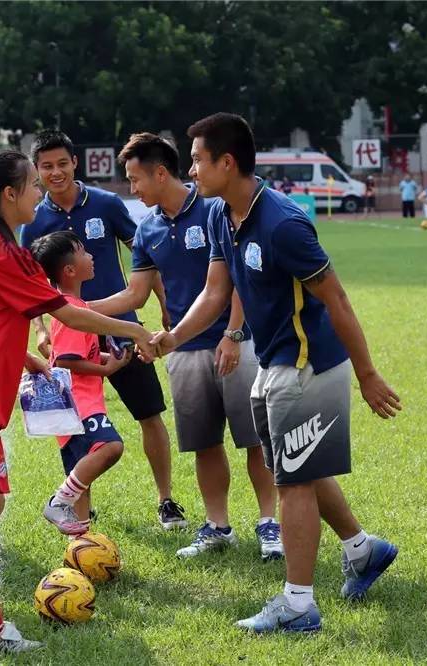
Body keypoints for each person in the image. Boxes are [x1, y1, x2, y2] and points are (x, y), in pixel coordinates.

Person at [153, 113, 401, 634]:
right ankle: (363, 550)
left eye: (197, 160)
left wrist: (368, 374)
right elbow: (215, 292)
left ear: (227, 162)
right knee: (296, 468)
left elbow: (337, 299)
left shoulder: (282, 223)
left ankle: (298, 605)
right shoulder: (221, 214)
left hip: (308, 365)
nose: (191, 170)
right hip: (273, 362)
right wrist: (174, 336)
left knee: (292, 483)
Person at [0, 150, 157, 654]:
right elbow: (68, 312)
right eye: (32, 185)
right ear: (9, 194)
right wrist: (133, 329)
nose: (39, 193)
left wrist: (25, 358)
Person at [90, 133, 283, 562]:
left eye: (135, 179)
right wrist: (79, 309)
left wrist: (234, 333)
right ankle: (218, 526)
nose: (132, 189)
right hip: (183, 348)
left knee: (255, 440)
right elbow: (135, 294)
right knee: (204, 442)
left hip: (237, 343)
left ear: (161, 173)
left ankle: (270, 523)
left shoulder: (214, 208)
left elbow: (237, 277)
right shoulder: (148, 229)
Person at [20, 130, 186, 530]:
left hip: (120, 329)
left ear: (75, 163)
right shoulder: (34, 220)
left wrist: (163, 302)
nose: (56, 172)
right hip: (69, 334)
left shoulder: (107, 204)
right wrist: (41, 329)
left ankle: (165, 499)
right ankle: (80, 508)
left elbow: (144, 255)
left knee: (149, 413)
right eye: (47, 166)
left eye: (62, 163)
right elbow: (31, 286)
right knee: (78, 424)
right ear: (37, 171)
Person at [30, 231, 130, 536]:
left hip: (72, 409)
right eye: (83, 251)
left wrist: (110, 358)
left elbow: (76, 353)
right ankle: (58, 501)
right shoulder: (73, 309)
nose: (91, 256)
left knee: (82, 483)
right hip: (80, 406)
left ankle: (81, 544)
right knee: (111, 447)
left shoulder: (72, 306)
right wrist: (106, 369)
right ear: (70, 270)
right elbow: (65, 361)